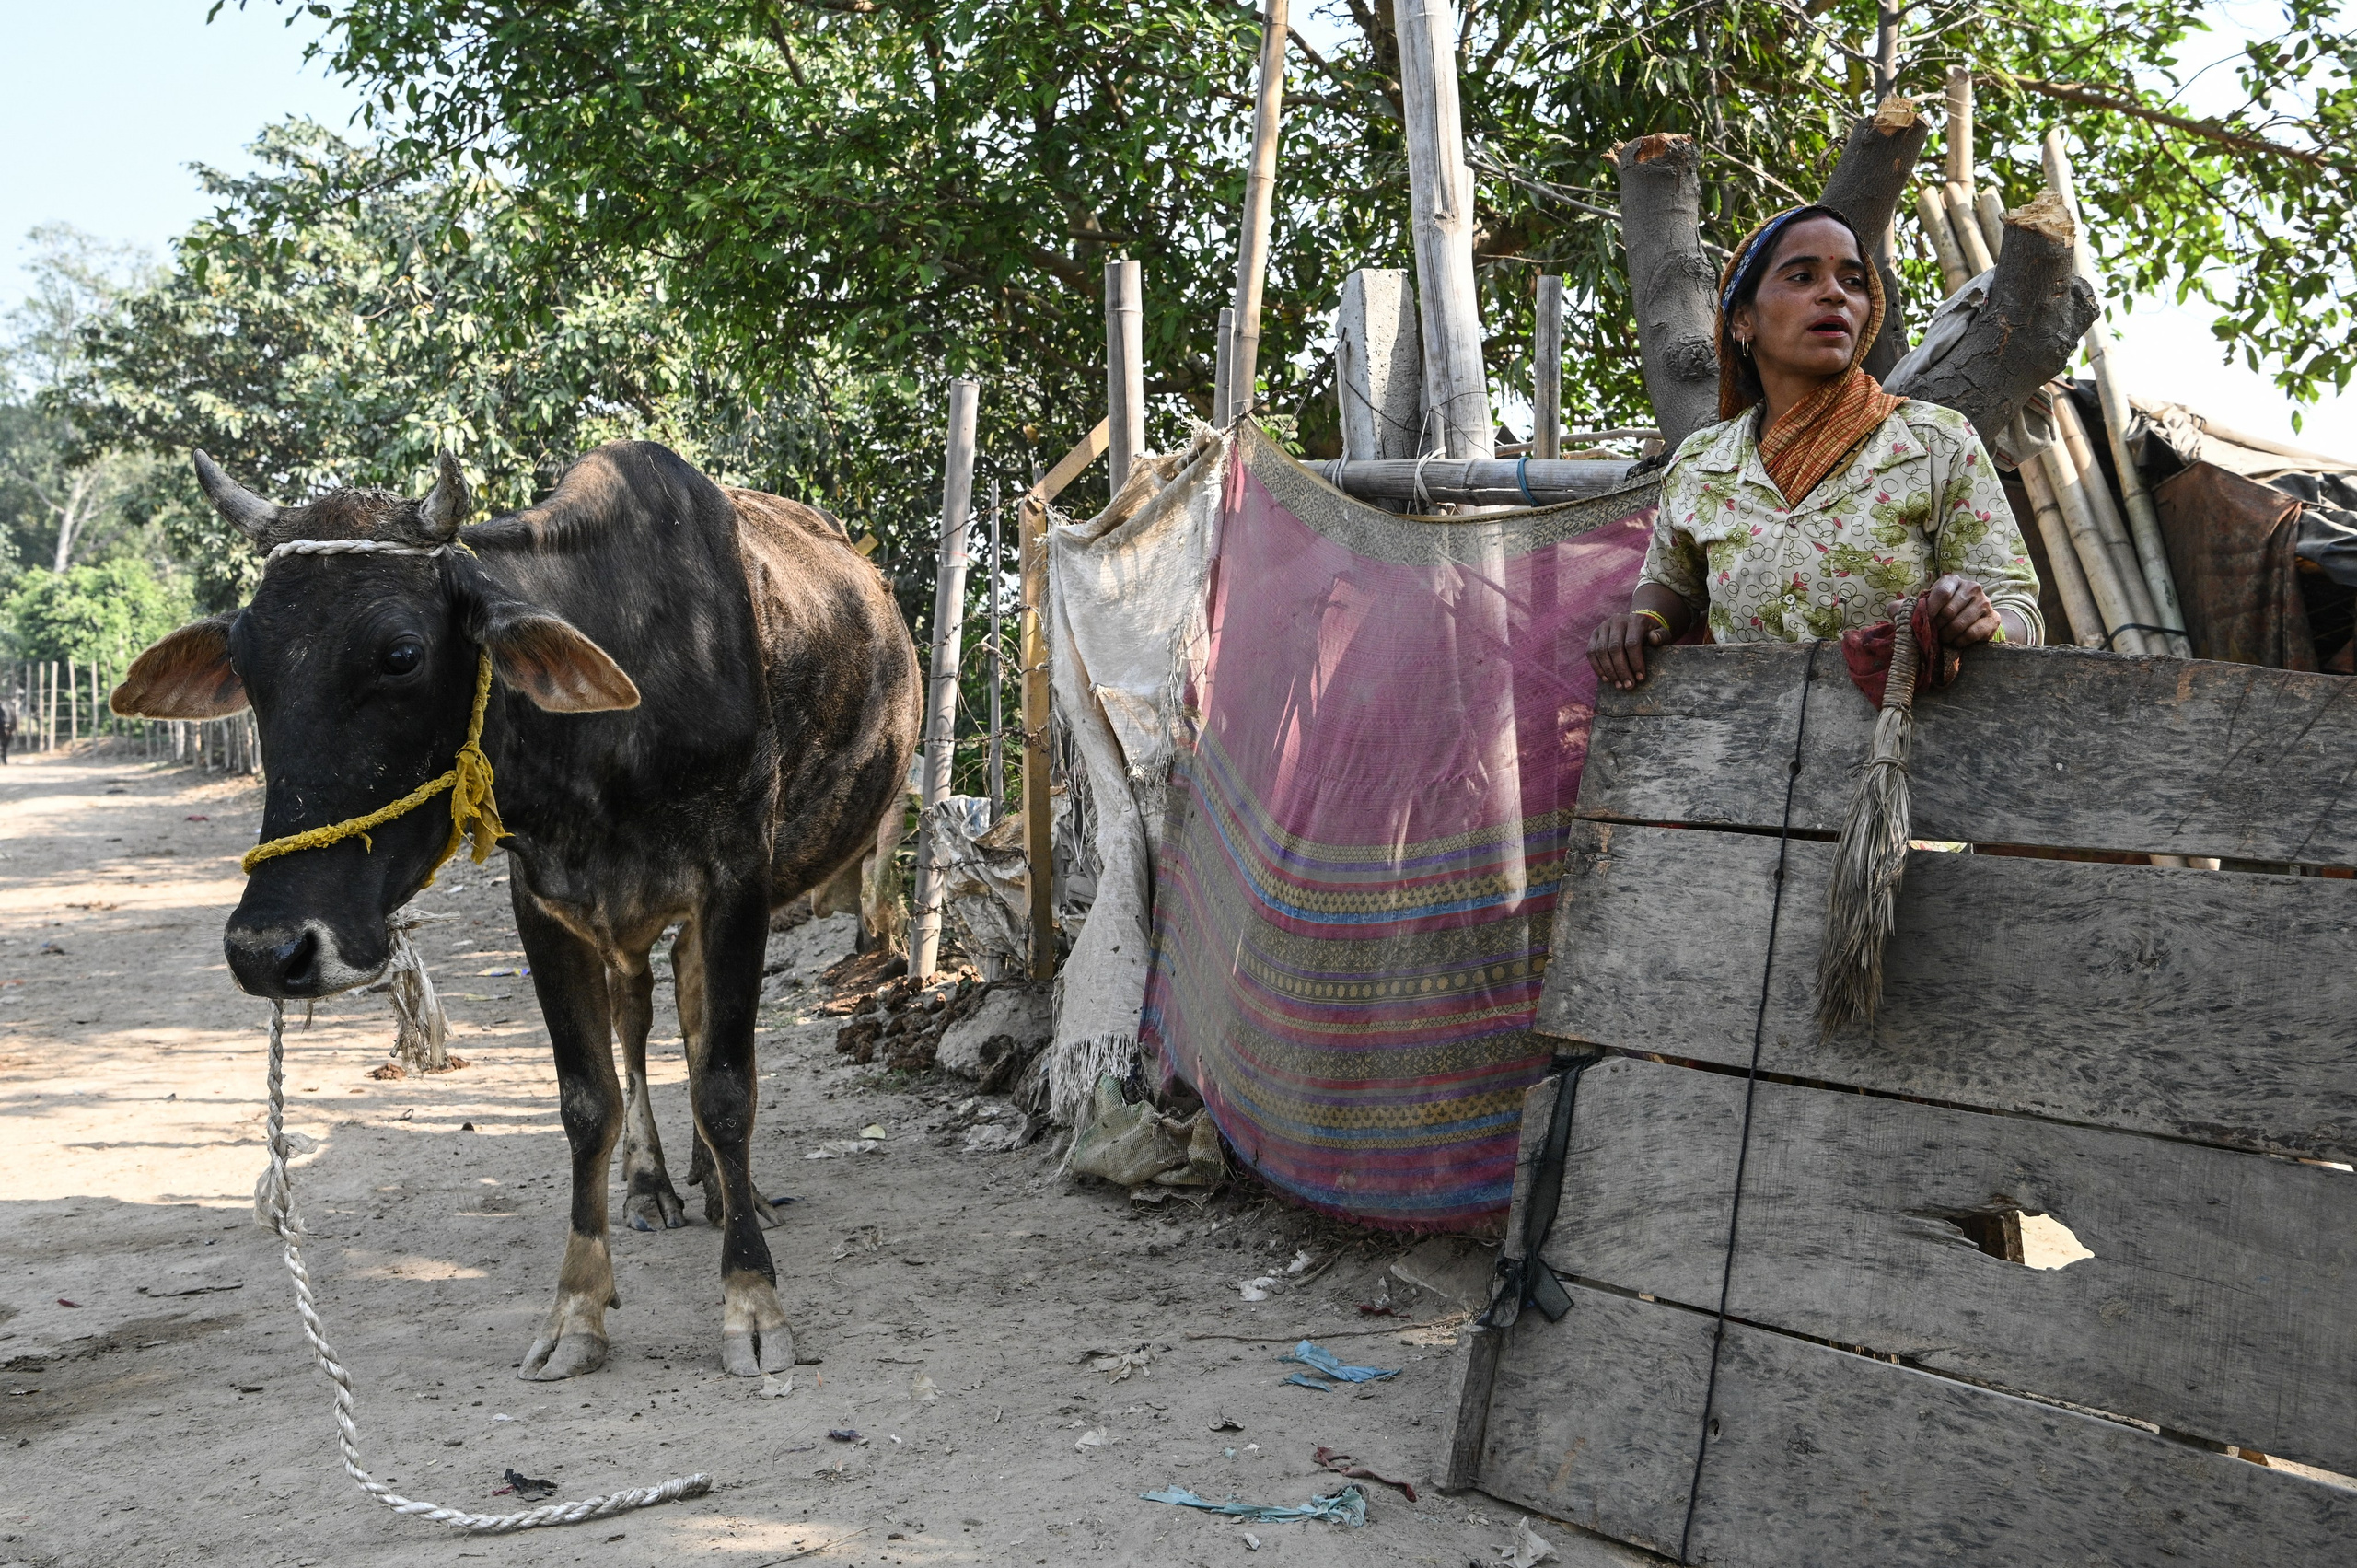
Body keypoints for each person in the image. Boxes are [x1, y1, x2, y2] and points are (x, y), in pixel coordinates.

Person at [1590, 203, 2042, 690]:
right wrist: (1644, 622)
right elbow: (1672, 585)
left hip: (1899, 748)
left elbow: (2018, 612)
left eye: (1852, 282)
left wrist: (1975, 620)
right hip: (1737, 742)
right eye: (1803, 276)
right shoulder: (1700, 464)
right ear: (1743, 319)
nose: (1834, 294)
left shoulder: (1935, 442)